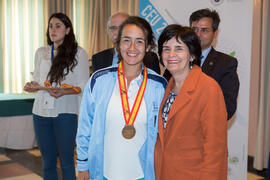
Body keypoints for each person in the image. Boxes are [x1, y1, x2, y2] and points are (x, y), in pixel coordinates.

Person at [76, 16, 167, 180]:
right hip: (103, 172)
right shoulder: (99, 80)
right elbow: (85, 127)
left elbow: (164, 135)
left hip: (143, 174)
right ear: (118, 44)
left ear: (148, 46)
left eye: (139, 41)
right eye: (126, 40)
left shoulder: (158, 86)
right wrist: (83, 165)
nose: (132, 47)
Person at [154, 24, 227, 179]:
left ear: (192, 55)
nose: (171, 54)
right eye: (166, 49)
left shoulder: (208, 88)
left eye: (179, 48)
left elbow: (215, 149)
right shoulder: (167, 87)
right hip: (165, 172)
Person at [24, 13, 89, 180]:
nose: (53, 29)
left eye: (58, 26)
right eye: (51, 26)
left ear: (67, 30)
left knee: (67, 162)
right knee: (47, 162)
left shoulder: (79, 53)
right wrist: (33, 86)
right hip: (41, 112)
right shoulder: (41, 52)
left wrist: (63, 91)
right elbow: (39, 79)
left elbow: (83, 85)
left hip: (65, 112)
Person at [163, 8, 239, 120]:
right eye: (194, 29)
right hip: (171, 127)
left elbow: (227, 107)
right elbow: (165, 94)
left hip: (202, 132)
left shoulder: (226, 64)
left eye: (204, 30)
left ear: (215, 33)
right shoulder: (175, 59)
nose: (198, 34)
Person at [91, 12, 161, 74]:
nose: (118, 32)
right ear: (108, 31)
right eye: (114, 28)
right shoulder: (98, 59)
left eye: (122, 27)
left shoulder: (151, 58)